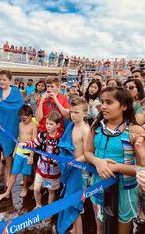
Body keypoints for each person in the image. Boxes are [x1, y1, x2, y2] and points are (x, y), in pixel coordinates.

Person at [84, 87, 145, 234]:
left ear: (124, 106)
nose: (103, 106)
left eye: (109, 102)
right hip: (98, 185)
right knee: (101, 228)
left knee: (122, 229)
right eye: (103, 101)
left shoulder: (135, 131)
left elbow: (142, 169)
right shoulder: (97, 126)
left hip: (125, 190)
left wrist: (117, 167)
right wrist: (97, 162)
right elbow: (87, 152)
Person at [57, 97, 90, 234]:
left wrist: (74, 162)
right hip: (71, 168)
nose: (73, 115)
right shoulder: (72, 125)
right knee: (70, 200)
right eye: (71, 112)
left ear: (85, 113)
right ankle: (75, 229)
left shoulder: (85, 130)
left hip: (79, 171)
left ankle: (79, 231)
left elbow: (88, 153)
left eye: (76, 112)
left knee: (74, 203)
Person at [18, 111, 62, 211]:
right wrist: (26, 144)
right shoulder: (42, 135)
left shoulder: (60, 139)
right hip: (41, 169)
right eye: (47, 123)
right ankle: (38, 205)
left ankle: (49, 211)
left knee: (51, 191)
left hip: (53, 172)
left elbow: (62, 153)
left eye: (51, 124)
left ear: (58, 125)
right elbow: (34, 143)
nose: (48, 126)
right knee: (37, 188)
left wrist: (58, 160)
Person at [0, 105, 38, 201]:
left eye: (24, 118)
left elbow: (34, 142)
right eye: (21, 118)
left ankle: (25, 188)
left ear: (30, 116)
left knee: (25, 173)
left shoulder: (34, 126)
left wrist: (31, 156)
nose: (22, 119)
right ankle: (7, 192)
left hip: (28, 153)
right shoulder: (20, 124)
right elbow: (19, 138)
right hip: (19, 151)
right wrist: (15, 150)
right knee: (14, 172)